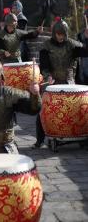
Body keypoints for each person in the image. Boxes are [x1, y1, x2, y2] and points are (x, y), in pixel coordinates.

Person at [34, 17, 88, 147]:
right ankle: (40, 140)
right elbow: (44, 66)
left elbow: (86, 51)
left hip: (69, 83)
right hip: (52, 83)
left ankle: (81, 137)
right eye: (58, 34)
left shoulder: (72, 45)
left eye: (63, 34)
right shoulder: (46, 46)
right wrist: (47, 77)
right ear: (54, 33)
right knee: (43, 112)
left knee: (78, 110)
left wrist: (86, 38)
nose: (60, 37)